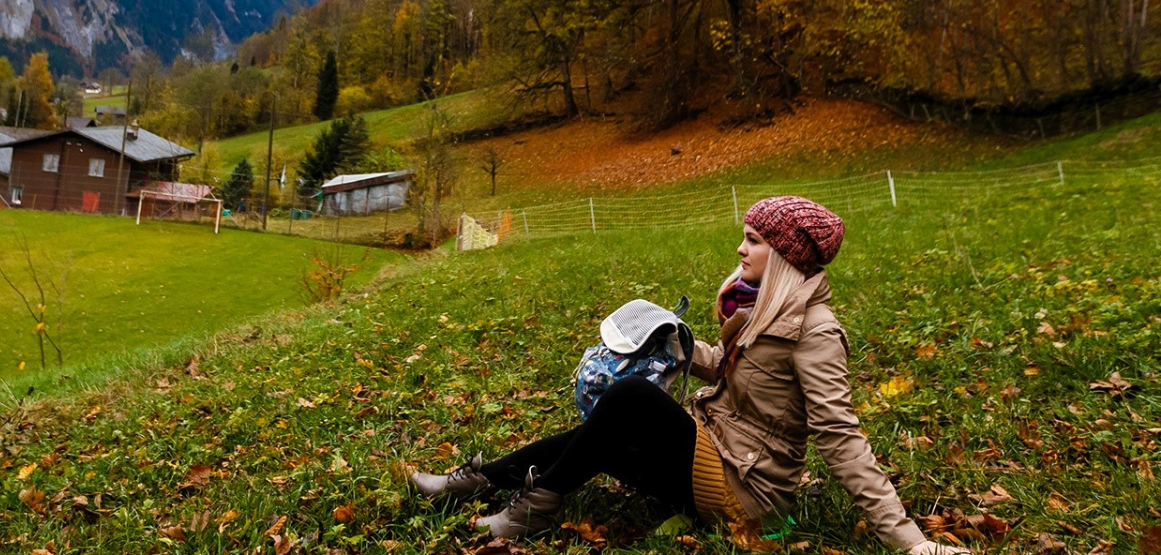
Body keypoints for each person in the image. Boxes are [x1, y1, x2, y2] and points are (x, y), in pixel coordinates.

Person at [410, 196, 969, 554]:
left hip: (744, 487)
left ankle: (535, 507)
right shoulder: (765, 308)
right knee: (603, 434)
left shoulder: (815, 333)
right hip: (716, 446)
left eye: (753, 239)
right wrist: (676, 342)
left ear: (783, 255)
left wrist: (910, 541)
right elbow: (737, 374)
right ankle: (476, 482)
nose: (740, 247)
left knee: (631, 401)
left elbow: (841, 436)